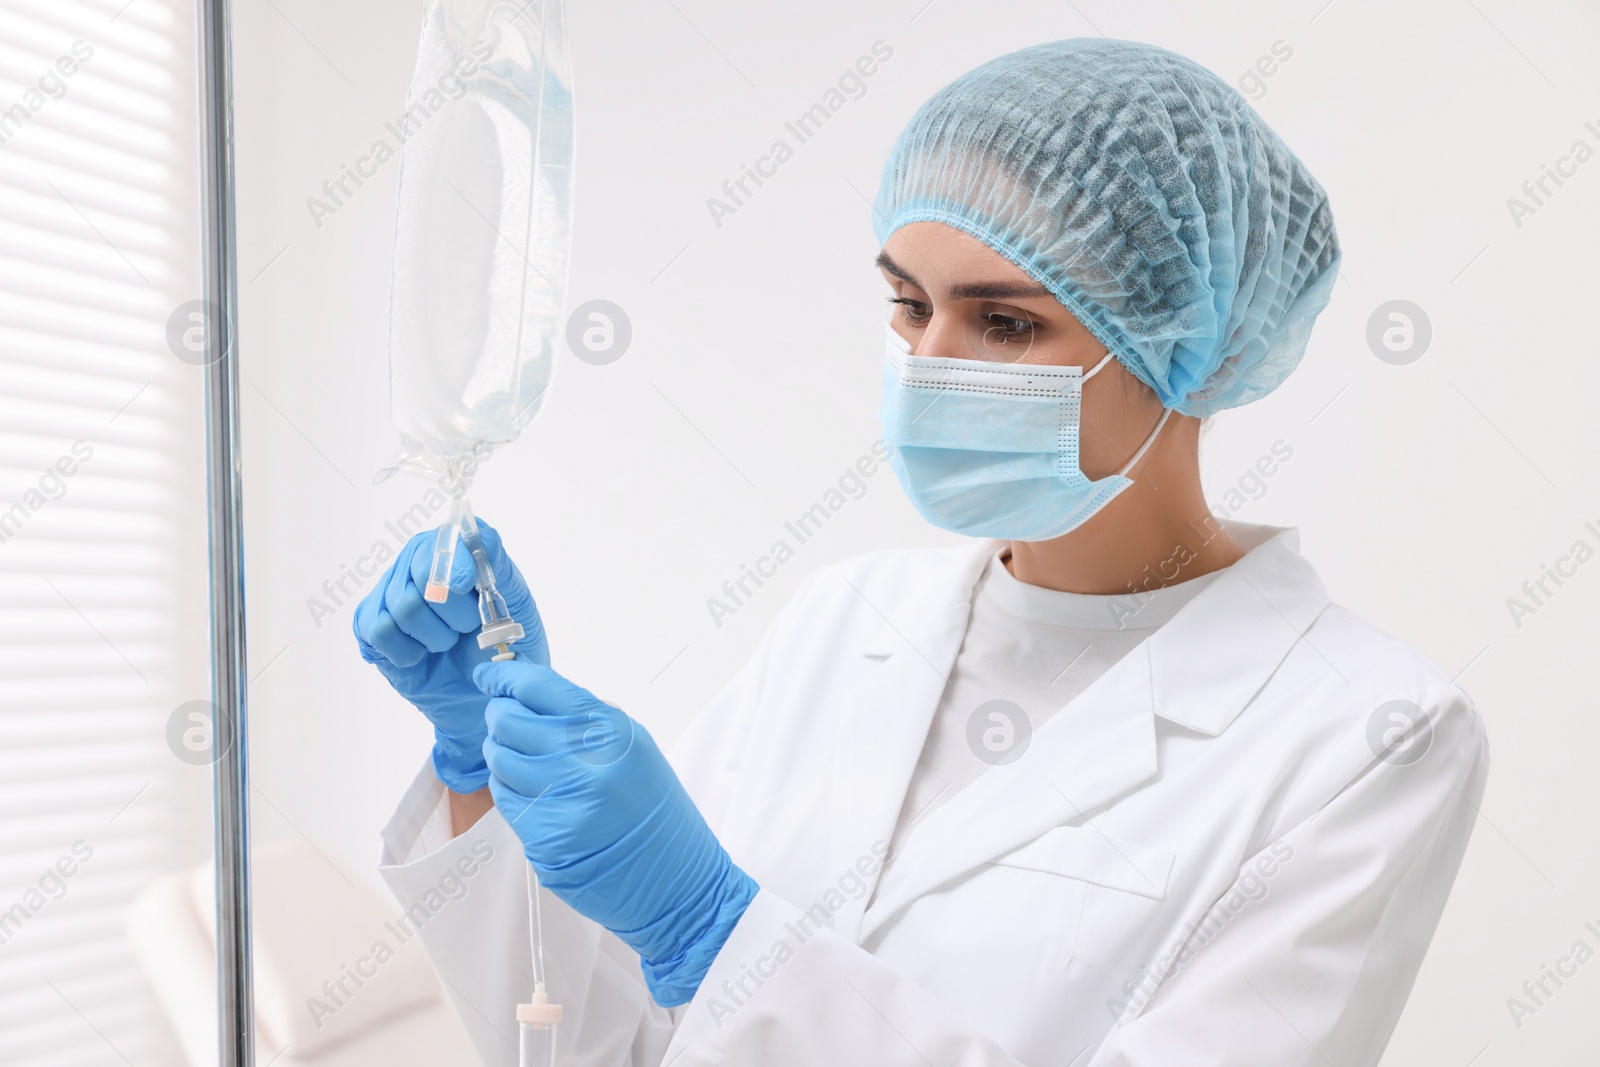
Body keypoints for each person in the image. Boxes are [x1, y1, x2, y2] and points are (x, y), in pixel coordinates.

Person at [355, 38, 1487, 1066]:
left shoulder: (1368, 732)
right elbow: (605, 1043)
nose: (929, 362)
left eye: (1003, 322)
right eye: (907, 306)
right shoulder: (848, 616)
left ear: (1181, 345)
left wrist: (712, 927)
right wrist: (480, 777)